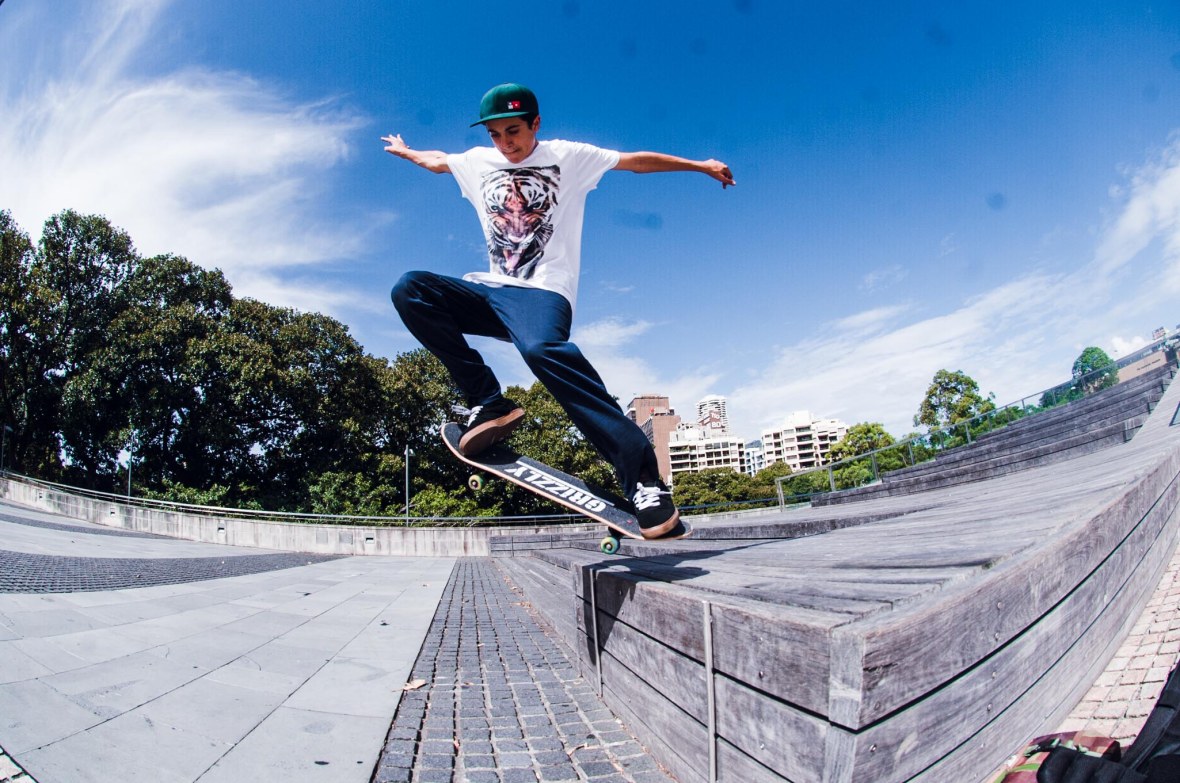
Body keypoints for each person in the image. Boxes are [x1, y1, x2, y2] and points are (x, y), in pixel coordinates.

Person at [383, 83, 734, 539]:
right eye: (495, 135)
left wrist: (700, 165)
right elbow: (437, 161)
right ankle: (488, 402)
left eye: (514, 131)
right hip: (492, 292)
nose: (505, 144)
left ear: (535, 124)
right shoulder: (476, 161)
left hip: (542, 293)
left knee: (541, 350)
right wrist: (407, 151)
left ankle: (645, 482)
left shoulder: (568, 155)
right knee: (410, 289)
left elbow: (635, 161)